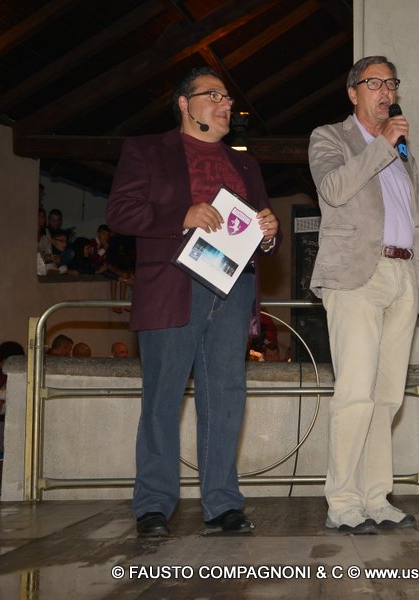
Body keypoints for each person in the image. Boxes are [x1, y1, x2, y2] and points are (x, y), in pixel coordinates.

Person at [107, 67, 281, 537]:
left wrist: (270, 233)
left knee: (225, 397)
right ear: (184, 104)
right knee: (162, 398)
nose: (226, 105)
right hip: (173, 285)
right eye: (214, 96)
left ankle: (223, 503)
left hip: (234, 287)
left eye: (229, 98)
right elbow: (119, 212)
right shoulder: (146, 150)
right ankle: (153, 506)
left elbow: (262, 226)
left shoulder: (246, 164)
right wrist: (181, 215)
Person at [308, 55, 419, 534]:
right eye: (375, 82)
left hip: (403, 276)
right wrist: (382, 145)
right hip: (356, 277)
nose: (386, 91)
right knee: (355, 394)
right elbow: (334, 189)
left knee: (386, 399)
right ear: (353, 93)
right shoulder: (331, 138)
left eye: (391, 83)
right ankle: (343, 503)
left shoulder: (403, 156)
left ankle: (375, 498)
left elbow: (409, 224)